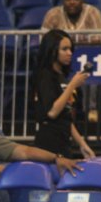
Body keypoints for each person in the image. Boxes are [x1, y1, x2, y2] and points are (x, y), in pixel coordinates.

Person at [41, 0, 101, 122]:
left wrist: (67, 43)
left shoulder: (93, 13)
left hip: (88, 59)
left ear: (82, 0)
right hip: (59, 61)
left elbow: (99, 39)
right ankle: (63, 111)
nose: (72, 2)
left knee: (90, 73)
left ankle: (91, 109)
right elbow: (45, 40)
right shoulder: (53, 14)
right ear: (63, 0)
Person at [32, 29, 95, 159]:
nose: (69, 53)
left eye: (70, 49)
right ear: (52, 50)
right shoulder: (45, 76)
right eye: (64, 49)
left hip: (64, 141)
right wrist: (72, 85)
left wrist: (82, 144)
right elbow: (52, 112)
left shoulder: (63, 76)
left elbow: (65, 118)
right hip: (48, 143)